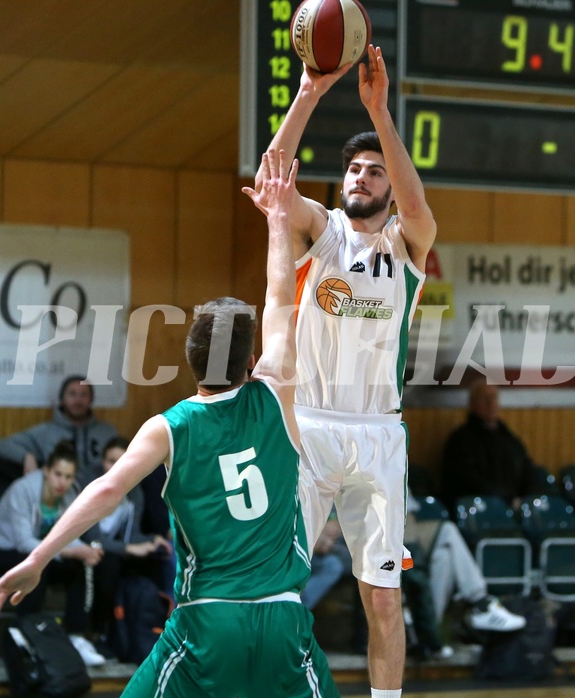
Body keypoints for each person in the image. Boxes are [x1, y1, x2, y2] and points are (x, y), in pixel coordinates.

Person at [0, 150, 341, 698]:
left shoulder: (169, 426)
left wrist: (38, 557)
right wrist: (279, 219)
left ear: (190, 361)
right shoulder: (276, 393)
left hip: (208, 622)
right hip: (283, 619)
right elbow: (280, 297)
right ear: (249, 363)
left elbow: (107, 489)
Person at [252, 45, 437, 696]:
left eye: (373, 171)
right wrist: (307, 92)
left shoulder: (405, 243)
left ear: (388, 184)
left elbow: (417, 208)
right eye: (353, 169)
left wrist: (379, 113)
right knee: (277, 587)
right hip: (307, 429)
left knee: (383, 600)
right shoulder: (321, 230)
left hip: (378, 438)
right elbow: (273, 183)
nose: (360, 177)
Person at [0, 440, 106, 667]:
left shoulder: (71, 493)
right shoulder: (23, 489)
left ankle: (77, 636)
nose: (62, 482)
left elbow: (67, 533)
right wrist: (69, 551)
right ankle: (27, 633)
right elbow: (24, 541)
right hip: (6, 549)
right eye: (58, 474)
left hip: (42, 551)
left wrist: (84, 550)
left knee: (80, 565)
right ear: (46, 470)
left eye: (68, 476)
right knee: (39, 567)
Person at [405, 490, 526, 636]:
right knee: (448, 531)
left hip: (403, 538)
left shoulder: (397, 468)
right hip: (386, 540)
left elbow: (408, 515)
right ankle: (481, 603)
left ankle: (427, 632)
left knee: (444, 556)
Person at [90, 436, 174, 644]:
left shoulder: (134, 491)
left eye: (120, 461)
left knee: (158, 555)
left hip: (113, 550)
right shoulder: (91, 489)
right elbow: (92, 539)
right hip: (88, 551)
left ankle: (154, 628)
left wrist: (152, 539)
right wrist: (129, 549)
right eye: (110, 460)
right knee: (110, 565)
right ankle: (98, 633)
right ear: (102, 462)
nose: (114, 467)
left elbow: (132, 533)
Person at [0, 375, 117, 490]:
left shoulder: (107, 432)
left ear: (91, 399)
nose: (78, 400)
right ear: (62, 399)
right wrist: (26, 456)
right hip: (59, 497)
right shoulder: (45, 432)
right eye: (72, 394)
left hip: (101, 496)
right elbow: (2, 445)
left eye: (84, 395)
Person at [441, 379, 539, 510]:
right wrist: (506, 499)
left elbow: (527, 470)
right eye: (484, 399)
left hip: (515, 505)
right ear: (472, 404)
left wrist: (528, 497)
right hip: (482, 508)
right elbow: (468, 482)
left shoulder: (509, 438)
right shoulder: (461, 440)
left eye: (494, 398)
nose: (491, 403)